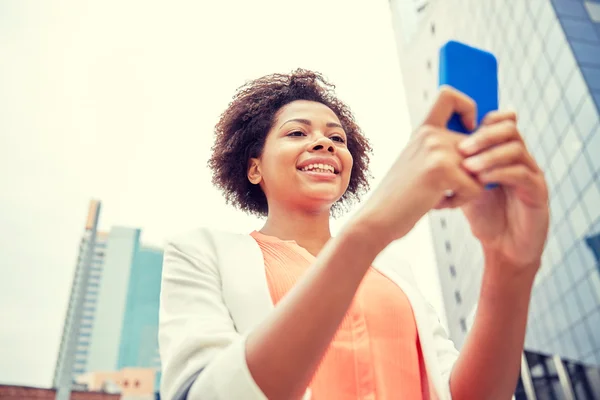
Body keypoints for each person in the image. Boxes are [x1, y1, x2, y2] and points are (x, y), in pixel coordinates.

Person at [158, 69, 549, 400]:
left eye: (338, 138)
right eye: (296, 133)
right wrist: (369, 230)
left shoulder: (395, 274)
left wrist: (510, 265)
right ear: (254, 168)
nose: (324, 142)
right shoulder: (201, 253)